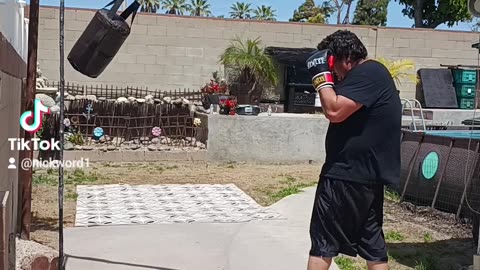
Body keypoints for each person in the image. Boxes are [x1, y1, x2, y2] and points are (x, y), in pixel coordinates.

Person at [305, 30, 402, 270]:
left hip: (345, 175)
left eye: (334, 66)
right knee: (373, 247)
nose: (334, 74)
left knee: (323, 242)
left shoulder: (368, 72)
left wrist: (321, 77)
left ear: (347, 58)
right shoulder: (371, 75)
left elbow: (334, 111)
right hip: (364, 177)